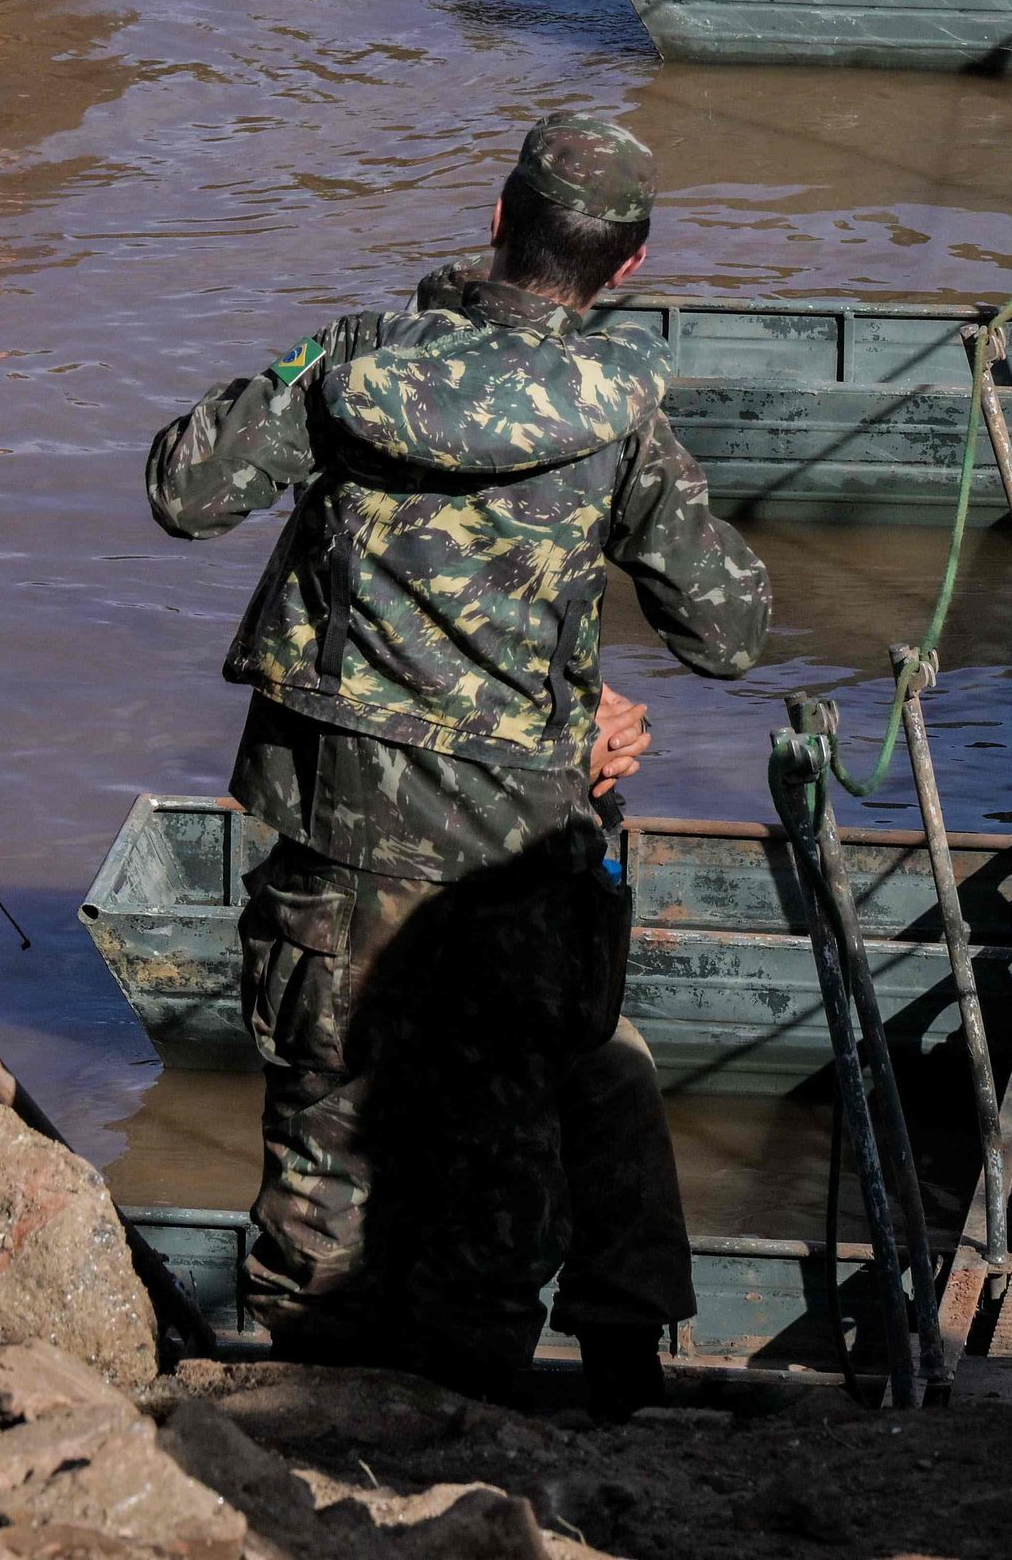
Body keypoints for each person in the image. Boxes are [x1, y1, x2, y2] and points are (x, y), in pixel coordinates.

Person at [142, 117, 771, 1416]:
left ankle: (304, 1459)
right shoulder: (622, 413)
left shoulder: (355, 362)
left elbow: (187, 485)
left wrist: (321, 373)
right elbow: (731, 628)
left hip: (335, 853)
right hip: (507, 883)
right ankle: (491, 1460)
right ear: (631, 264)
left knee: (322, 1184)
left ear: (496, 217)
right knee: (492, 1199)